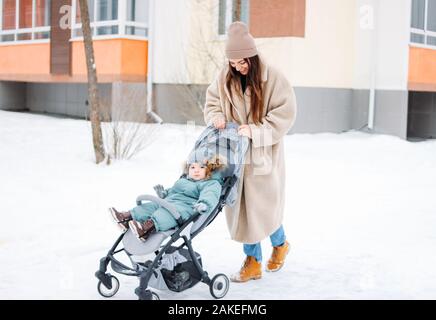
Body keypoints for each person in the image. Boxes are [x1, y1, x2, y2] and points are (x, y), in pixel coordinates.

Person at [203, 21, 298, 282]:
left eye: (242, 62)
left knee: (264, 209)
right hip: (234, 155)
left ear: (253, 57)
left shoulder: (274, 79)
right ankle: (253, 262)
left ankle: (280, 245)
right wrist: (216, 117)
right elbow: (212, 102)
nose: (237, 67)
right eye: (233, 63)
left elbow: (285, 114)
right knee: (242, 211)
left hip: (261, 155)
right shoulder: (224, 77)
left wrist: (255, 131)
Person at [110, 155, 224, 242]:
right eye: (192, 167)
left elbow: (211, 194)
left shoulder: (210, 183)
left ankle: (145, 229)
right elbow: (173, 192)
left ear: (209, 170)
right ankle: (125, 218)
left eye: (201, 167)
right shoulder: (184, 180)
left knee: (164, 213)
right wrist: (164, 193)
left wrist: (204, 203)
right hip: (169, 202)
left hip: (184, 208)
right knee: (151, 206)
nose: (196, 170)